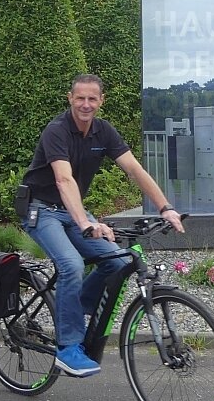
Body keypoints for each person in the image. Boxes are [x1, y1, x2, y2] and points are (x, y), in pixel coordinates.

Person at [19, 73, 184, 378]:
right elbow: (63, 179)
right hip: (42, 210)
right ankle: (68, 348)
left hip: (73, 211)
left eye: (92, 98)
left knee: (119, 261)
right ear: (70, 98)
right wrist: (85, 223)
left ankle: (73, 308)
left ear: (100, 101)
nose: (85, 104)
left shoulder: (103, 132)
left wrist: (166, 207)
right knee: (71, 265)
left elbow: (134, 169)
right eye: (79, 98)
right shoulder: (57, 131)